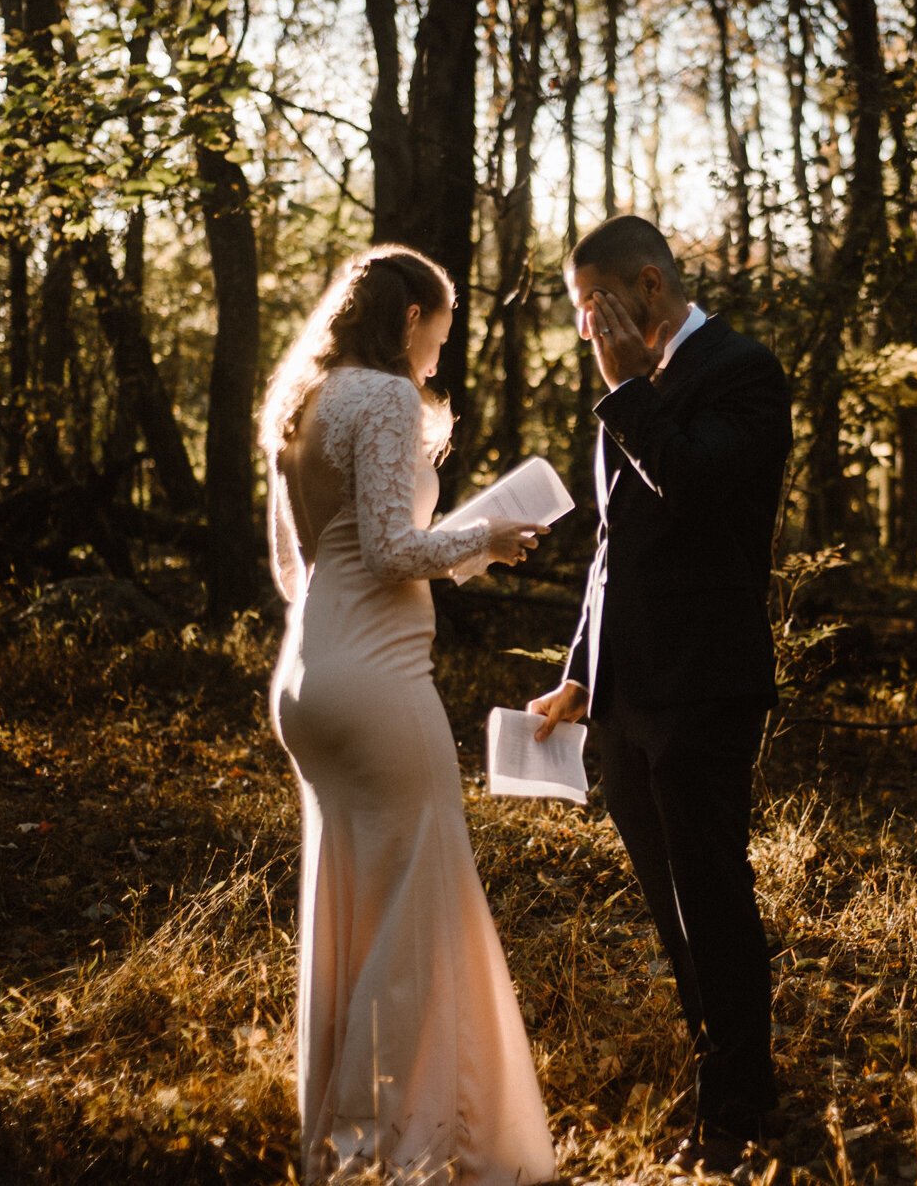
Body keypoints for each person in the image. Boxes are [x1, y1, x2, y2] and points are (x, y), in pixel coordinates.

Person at [260, 244, 557, 1186]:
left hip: (311, 674)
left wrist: (470, 550)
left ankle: (349, 1141)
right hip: (380, 681)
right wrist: (491, 531)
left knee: (348, 904)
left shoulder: (303, 400)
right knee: (414, 912)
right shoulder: (385, 398)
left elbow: (313, 562)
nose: (441, 351)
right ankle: (409, 1149)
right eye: (440, 328)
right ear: (408, 320)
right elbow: (390, 549)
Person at [527, 215, 793, 1175]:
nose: (585, 330)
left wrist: (626, 388)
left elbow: (687, 481)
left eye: (591, 308)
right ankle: (713, 1061)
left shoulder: (744, 372)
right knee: (666, 900)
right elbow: (614, 545)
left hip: (705, 683)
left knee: (712, 891)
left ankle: (741, 1104)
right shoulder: (628, 395)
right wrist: (579, 670)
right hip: (628, 690)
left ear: (645, 285)